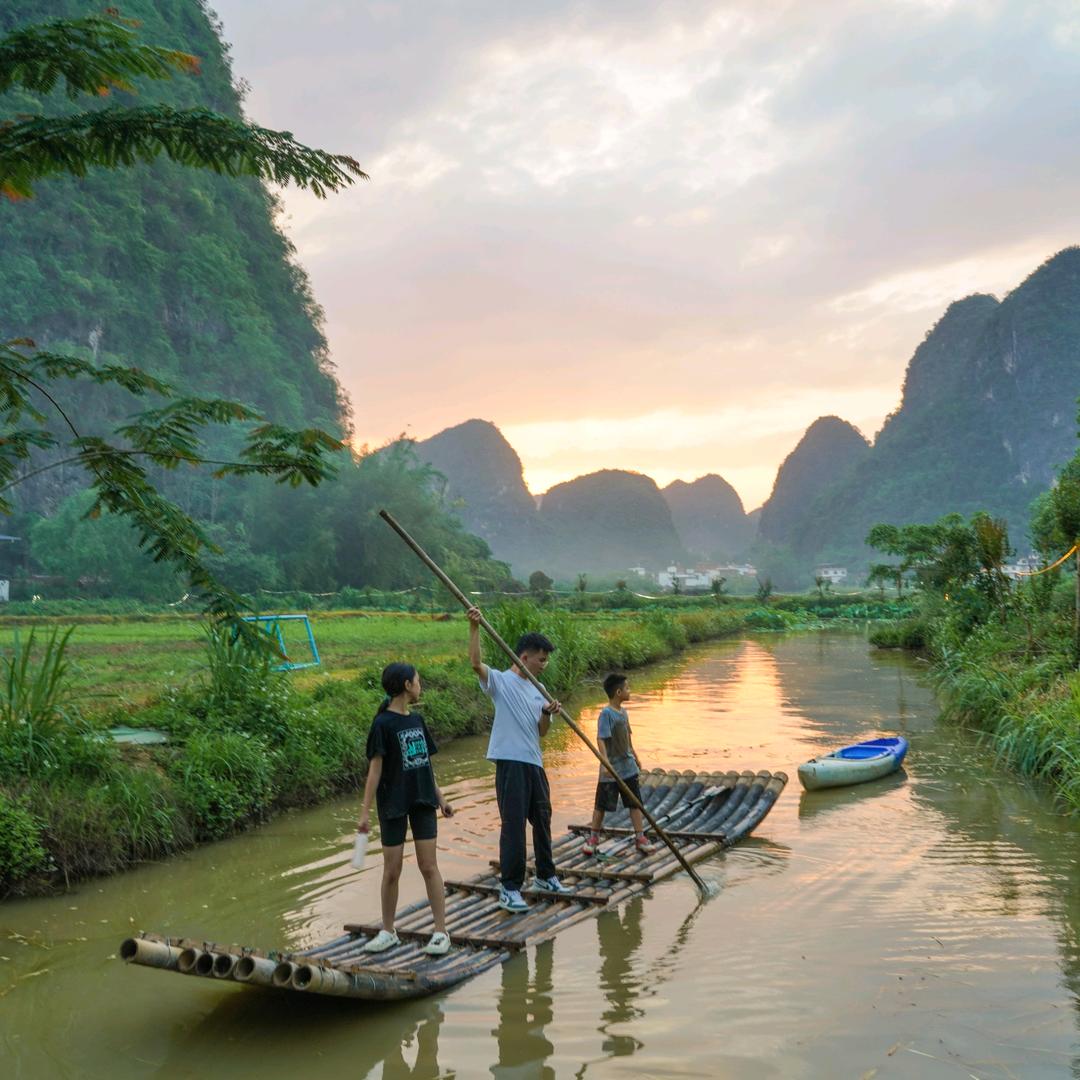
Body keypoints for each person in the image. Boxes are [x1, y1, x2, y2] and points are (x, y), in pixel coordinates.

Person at [467, 605, 571, 912]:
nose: (545, 664)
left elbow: (541, 732)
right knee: (513, 825)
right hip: (510, 761)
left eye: (547, 659)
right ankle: (510, 888)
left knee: (542, 819)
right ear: (524, 657)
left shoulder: (538, 690)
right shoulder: (502, 682)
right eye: (541, 659)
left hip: (533, 762)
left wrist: (547, 713)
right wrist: (474, 627)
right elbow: (475, 663)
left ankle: (545, 875)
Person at [357, 662, 454, 955]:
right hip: (393, 803)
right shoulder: (382, 724)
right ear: (406, 686)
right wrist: (364, 814)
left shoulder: (418, 721)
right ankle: (388, 931)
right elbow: (374, 771)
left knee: (428, 866)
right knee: (392, 870)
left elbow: (425, 765)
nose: (420, 684)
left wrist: (441, 798)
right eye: (417, 680)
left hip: (423, 800)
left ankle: (440, 932)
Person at [582, 673, 655, 857]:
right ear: (618, 692)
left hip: (627, 766)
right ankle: (593, 838)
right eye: (627, 688)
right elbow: (600, 739)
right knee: (601, 805)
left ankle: (640, 837)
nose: (630, 691)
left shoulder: (623, 713)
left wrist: (635, 756)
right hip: (611, 769)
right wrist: (605, 764)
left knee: (634, 802)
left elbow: (628, 738)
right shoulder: (607, 714)